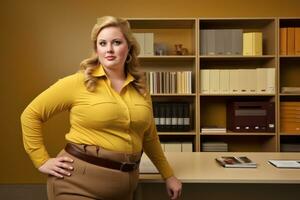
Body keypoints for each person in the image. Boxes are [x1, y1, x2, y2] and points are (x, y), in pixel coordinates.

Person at [21, 16, 182, 200]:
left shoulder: (141, 89)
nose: (109, 49)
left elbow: (150, 137)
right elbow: (31, 115)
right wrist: (41, 160)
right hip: (76, 185)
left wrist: (168, 175)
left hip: (124, 189)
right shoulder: (78, 82)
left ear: (128, 47)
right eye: (103, 43)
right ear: (96, 49)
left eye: (116, 42)